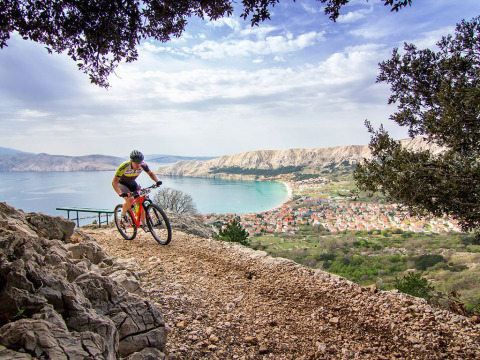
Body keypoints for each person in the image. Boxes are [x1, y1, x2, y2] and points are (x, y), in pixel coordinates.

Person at [112, 150, 161, 231]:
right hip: (122, 184)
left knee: (141, 201)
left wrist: (157, 181)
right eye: (136, 163)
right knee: (130, 199)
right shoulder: (124, 166)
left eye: (140, 163)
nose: (138, 165)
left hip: (132, 183)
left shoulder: (143, 165)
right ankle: (123, 216)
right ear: (131, 161)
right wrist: (120, 193)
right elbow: (114, 182)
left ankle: (143, 224)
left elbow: (151, 174)